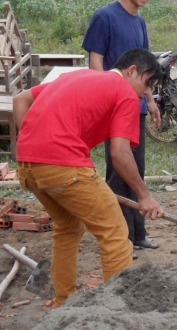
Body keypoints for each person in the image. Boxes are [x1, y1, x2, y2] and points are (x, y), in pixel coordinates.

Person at [14, 48, 165, 307]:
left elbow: (20, 100)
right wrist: (144, 196)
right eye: (147, 83)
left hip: (28, 165)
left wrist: (34, 141)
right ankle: (117, 312)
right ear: (131, 71)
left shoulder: (76, 76)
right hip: (64, 166)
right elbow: (119, 153)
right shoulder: (124, 93)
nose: (145, 92)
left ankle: (63, 301)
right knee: (116, 233)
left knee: (67, 228)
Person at [81, 0, 165, 250]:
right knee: (119, 172)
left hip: (135, 107)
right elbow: (96, 60)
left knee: (135, 169)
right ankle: (121, 238)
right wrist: (100, 99)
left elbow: (145, 67)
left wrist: (151, 101)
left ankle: (138, 234)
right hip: (113, 106)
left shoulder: (139, 21)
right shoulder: (105, 16)